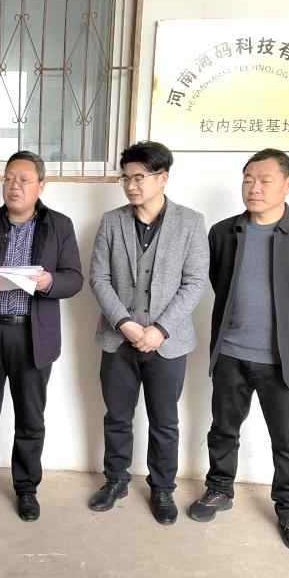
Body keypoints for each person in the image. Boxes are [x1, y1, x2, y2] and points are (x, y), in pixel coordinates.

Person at [188, 149, 289, 551]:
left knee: (287, 441)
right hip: (231, 354)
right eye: (248, 179)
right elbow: (219, 282)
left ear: (288, 185)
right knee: (223, 430)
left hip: (282, 360)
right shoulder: (223, 232)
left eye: (265, 180)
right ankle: (219, 489)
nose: (254, 188)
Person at [0, 150, 83, 521]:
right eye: (8, 178)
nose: (14, 186)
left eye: (23, 179)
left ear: (41, 186)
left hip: (32, 336)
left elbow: (74, 278)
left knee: (30, 419)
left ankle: (26, 489)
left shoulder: (59, 226)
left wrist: (49, 281)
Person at [88, 141, 208, 524]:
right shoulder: (112, 221)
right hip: (117, 339)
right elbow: (99, 277)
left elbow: (195, 283)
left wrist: (159, 329)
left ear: (163, 178)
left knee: (164, 420)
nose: (131, 185)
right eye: (126, 178)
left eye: (139, 177)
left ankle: (162, 488)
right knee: (117, 416)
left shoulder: (191, 222)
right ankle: (116, 479)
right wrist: (124, 323)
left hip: (167, 343)